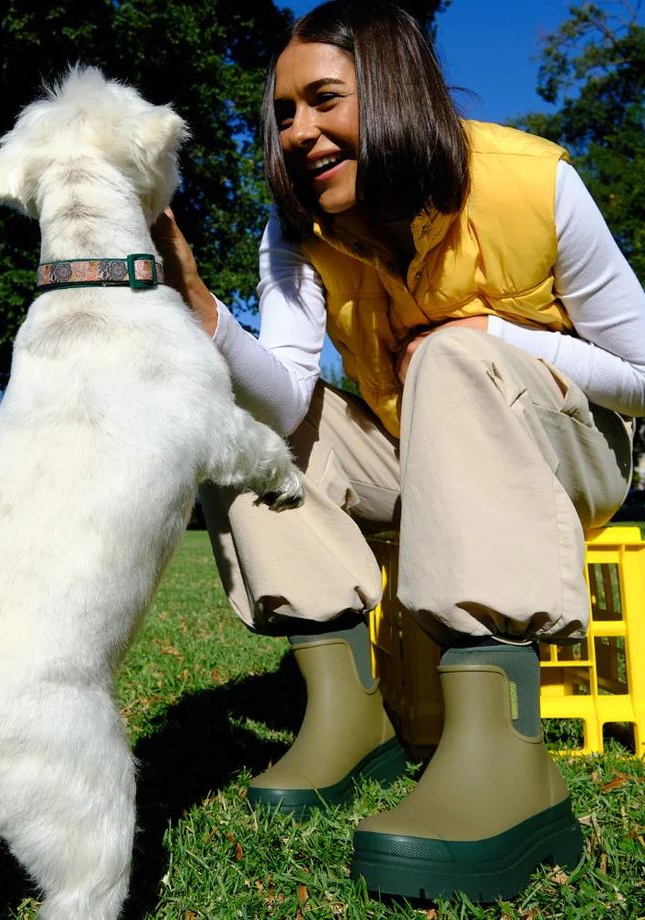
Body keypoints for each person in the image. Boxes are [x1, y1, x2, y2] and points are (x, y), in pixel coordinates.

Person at [152, 0, 645, 903]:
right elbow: (287, 396)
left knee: (453, 357)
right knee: (236, 417)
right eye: (284, 113)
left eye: (324, 100)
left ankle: (506, 755)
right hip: (416, 455)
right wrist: (204, 316)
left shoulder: (532, 183)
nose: (298, 132)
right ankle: (349, 717)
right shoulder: (296, 230)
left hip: (568, 457)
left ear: (391, 88)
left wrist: (489, 334)